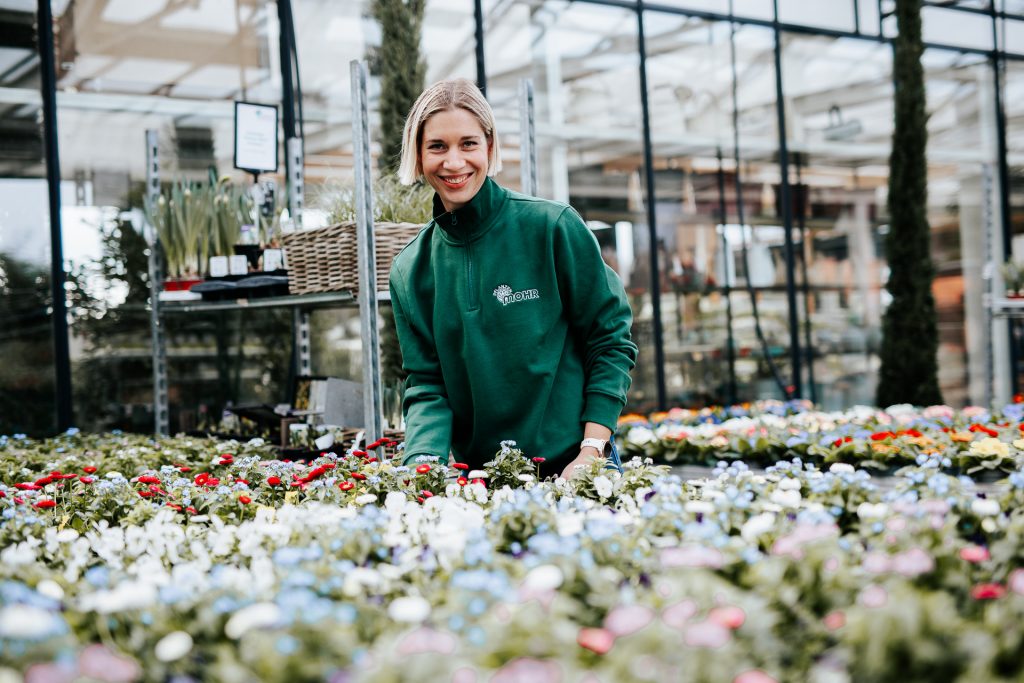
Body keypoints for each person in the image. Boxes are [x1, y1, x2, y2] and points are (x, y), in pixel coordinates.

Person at [388, 78, 637, 479]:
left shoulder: (552, 227)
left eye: (468, 144)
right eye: (437, 146)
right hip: (483, 482)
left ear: (489, 146)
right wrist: (422, 468)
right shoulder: (410, 269)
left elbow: (609, 339)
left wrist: (592, 450)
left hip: (576, 465)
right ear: (418, 154)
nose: (454, 162)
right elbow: (427, 385)